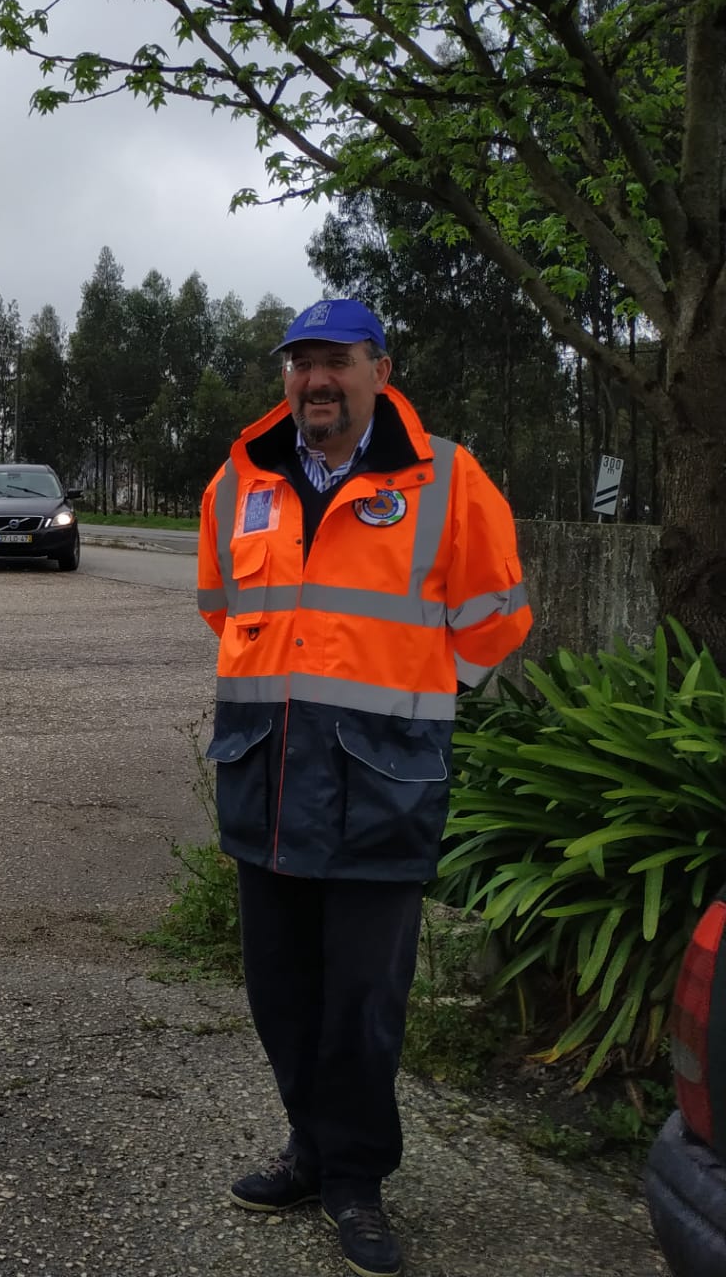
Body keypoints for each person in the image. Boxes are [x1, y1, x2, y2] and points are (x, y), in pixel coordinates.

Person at [196, 299, 531, 1277]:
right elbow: (221, 604)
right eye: (300, 363)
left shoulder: (446, 478)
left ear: (381, 369)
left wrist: (421, 697)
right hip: (267, 776)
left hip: (383, 785)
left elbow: (498, 617)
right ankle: (310, 1148)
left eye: (336, 360)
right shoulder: (240, 480)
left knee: (362, 1007)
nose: (316, 380)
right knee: (280, 995)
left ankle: (356, 1179)